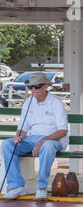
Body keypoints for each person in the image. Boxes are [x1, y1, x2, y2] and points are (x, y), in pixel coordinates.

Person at [1, 72, 69, 200]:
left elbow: (62, 131)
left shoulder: (56, 102)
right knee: (7, 144)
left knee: (47, 146)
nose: (33, 89)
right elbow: (23, 127)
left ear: (45, 86)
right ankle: (16, 186)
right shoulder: (28, 103)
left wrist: (43, 141)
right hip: (33, 138)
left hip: (54, 139)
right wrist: (18, 136)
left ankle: (41, 187)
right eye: (30, 87)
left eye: (36, 86)